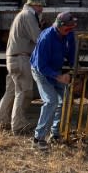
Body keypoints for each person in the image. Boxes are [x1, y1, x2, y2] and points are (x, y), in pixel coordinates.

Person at [0, 0, 45, 135]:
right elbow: (38, 38)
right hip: (21, 58)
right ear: (33, 4)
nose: (41, 9)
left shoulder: (21, 15)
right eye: (40, 6)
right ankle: (18, 125)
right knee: (23, 92)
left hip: (12, 58)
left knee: (10, 91)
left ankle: (1, 121)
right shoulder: (29, 16)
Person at [30, 11, 78, 151]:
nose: (70, 31)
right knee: (51, 101)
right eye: (68, 29)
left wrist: (73, 65)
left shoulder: (67, 33)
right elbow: (41, 66)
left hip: (55, 70)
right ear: (60, 26)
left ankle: (55, 134)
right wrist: (59, 77)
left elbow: (71, 48)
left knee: (65, 99)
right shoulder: (46, 38)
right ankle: (38, 139)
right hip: (41, 72)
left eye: (71, 29)